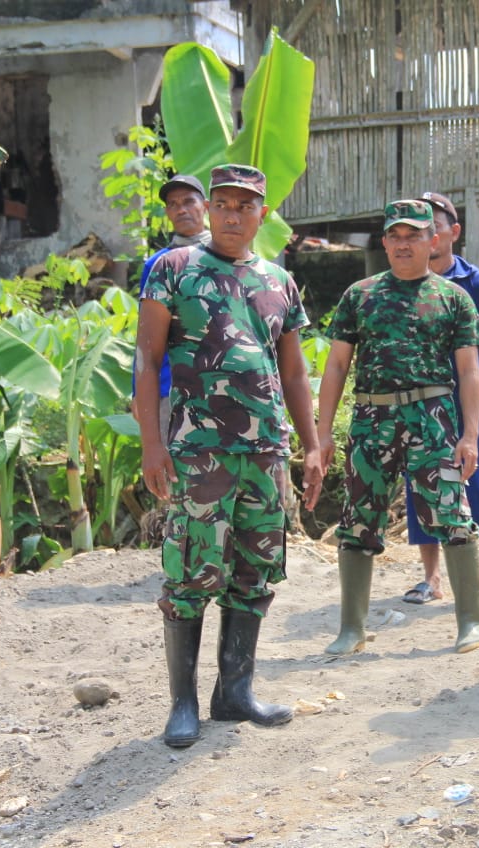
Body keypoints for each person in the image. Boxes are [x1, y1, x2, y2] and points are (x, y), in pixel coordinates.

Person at [135, 164, 323, 748]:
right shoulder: (174, 270)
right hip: (199, 452)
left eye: (246, 206)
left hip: (265, 452)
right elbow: (146, 357)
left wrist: (312, 444)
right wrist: (152, 441)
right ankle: (183, 702)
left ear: (262, 214)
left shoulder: (278, 282)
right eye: (224, 204)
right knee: (191, 572)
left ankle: (235, 692)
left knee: (256, 569)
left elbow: (292, 371)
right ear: (210, 209)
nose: (233, 215)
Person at [315, 200, 479, 656]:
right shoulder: (360, 295)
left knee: (452, 515)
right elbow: (335, 366)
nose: (404, 244)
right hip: (372, 421)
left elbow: (470, 373)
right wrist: (323, 432)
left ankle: (470, 622)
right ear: (385, 242)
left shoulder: (454, 298)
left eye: (415, 235)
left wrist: (471, 436)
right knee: (357, 522)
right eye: (396, 236)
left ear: (434, 241)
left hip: (433, 420)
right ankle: (352, 628)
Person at [398, 191, 479, 609]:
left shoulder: (478, 285)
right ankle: (431, 578)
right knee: (420, 490)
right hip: (421, 407)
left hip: (468, 405)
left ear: (452, 233)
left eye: (433, 228)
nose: (427, 236)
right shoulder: (402, 284)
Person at [132, 174, 211, 443]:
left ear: (206, 206)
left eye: (189, 201)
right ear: (167, 212)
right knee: (173, 476)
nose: (181, 209)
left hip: (225, 387)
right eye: (174, 204)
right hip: (170, 388)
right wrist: (138, 393)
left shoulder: (228, 258)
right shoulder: (156, 265)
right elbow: (145, 336)